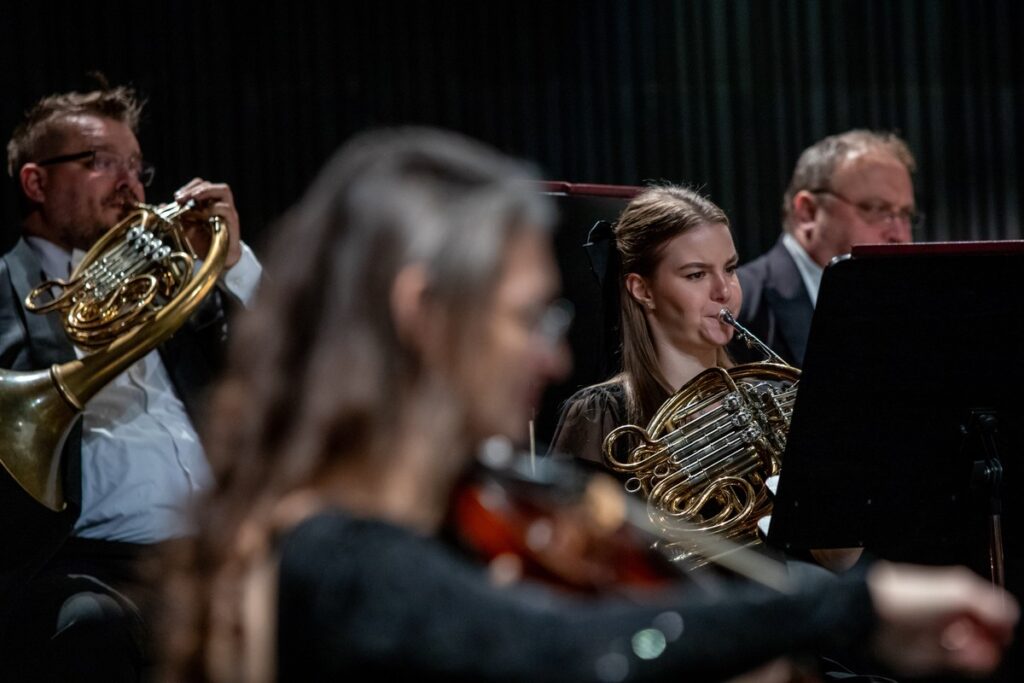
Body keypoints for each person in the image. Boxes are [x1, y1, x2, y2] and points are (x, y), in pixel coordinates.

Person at [162, 128, 1016, 682]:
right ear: (424, 314)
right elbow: (577, 648)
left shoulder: (451, 502)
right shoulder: (333, 555)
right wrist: (851, 610)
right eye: (528, 314)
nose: (554, 351)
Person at [0, 83, 261, 680]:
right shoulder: (4, 291)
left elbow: (284, 374)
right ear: (36, 183)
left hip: (218, 551)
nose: (130, 183)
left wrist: (232, 265)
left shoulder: (181, 289)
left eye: (136, 166)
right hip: (89, 561)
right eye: (100, 162)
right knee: (95, 629)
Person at [550, 185, 740, 469]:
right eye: (696, 274)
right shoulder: (603, 414)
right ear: (643, 290)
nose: (723, 290)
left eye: (730, 269)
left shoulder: (767, 398)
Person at [730, 130, 918, 367]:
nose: (900, 235)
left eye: (905, 214)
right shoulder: (740, 304)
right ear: (808, 212)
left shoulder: (907, 303)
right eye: (877, 209)